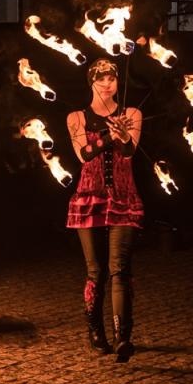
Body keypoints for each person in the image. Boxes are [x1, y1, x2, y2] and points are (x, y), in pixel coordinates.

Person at [65, 58, 143, 362]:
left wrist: (123, 134)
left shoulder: (132, 114)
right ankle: (95, 330)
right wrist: (110, 134)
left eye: (112, 78)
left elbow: (129, 150)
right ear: (91, 82)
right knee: (95, 271)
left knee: (120, 269)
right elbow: (84, 154)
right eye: (102, 79)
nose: (108, 83)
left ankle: (123, 337)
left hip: (123, 197)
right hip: (88, 197)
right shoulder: (76, 118)